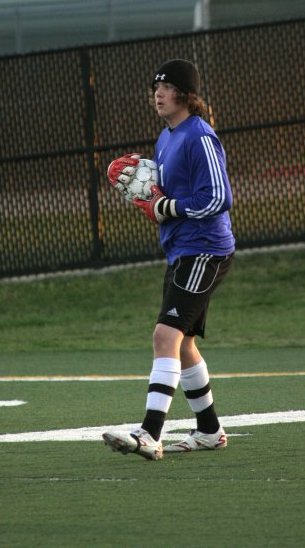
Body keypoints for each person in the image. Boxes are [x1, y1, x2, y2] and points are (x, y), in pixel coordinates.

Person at [103, 58, 235, 460]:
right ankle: (209, 430)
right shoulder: (166, 138)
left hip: (204, 249)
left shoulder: (199, 136)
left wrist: (168, 206)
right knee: (183, 344)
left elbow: (218, 198)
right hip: (182, 250)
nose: (158, 94)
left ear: (186, 94)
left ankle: (149, 433)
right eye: (155, 87)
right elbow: (164, 200)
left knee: (165, 337)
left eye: (167, 87)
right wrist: (151, 195)